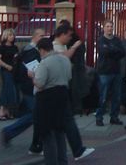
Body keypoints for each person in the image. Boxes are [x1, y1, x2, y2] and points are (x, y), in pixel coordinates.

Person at [33, 37, 95, 164]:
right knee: (60, 130)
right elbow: (68, 77)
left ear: (42, 50)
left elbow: (39, 83)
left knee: (47, 133)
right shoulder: (65, 60)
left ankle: (51, 161)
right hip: (63, 96)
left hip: (47, 100)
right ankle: (62, 160)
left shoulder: (44, 63)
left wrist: (32, 75)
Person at [2, 28, 45, 154]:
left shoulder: (28, 50)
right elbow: (33, 70)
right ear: (35, 37)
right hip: (29, 87)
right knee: (35, 115)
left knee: (34, 115)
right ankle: (9, 132)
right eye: (41, 36)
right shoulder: (31, 51)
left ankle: (36, 145)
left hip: (28, 86)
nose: (43, 38)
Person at [52, 24, 90, 160]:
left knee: (60, 122)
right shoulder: (55, 46)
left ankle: (72, 150)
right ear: (62, 34)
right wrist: (74, 47)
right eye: (68, 35)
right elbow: (64, 57)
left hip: (62, 87)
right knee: (65, 120)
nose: (70, 38)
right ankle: (77, 150)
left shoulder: (61, 45)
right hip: (56, 89)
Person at [95, 21, 126, 126]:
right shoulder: (101, 40)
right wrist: (114, 50)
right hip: (104, 71)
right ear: (104, 28)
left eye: (111, 26)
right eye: (107, 26)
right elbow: (103, 52)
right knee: (102, 96)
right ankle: (99, 117)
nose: (109, 28)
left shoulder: (117, 40)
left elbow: (122, 52)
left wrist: (110, 50)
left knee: (116, 97)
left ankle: (114, 117)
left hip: (116, 71)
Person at [0, 28, 19, 120]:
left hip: (14, 70)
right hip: (6, 70)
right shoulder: (2, 47)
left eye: (13, 35)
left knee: (10, 89)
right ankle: (2, 110)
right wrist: (6, 66)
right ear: (6, 36)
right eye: (10, 35)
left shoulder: (15, 47)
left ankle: (6, 110)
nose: (12, 37)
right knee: (7, 88)